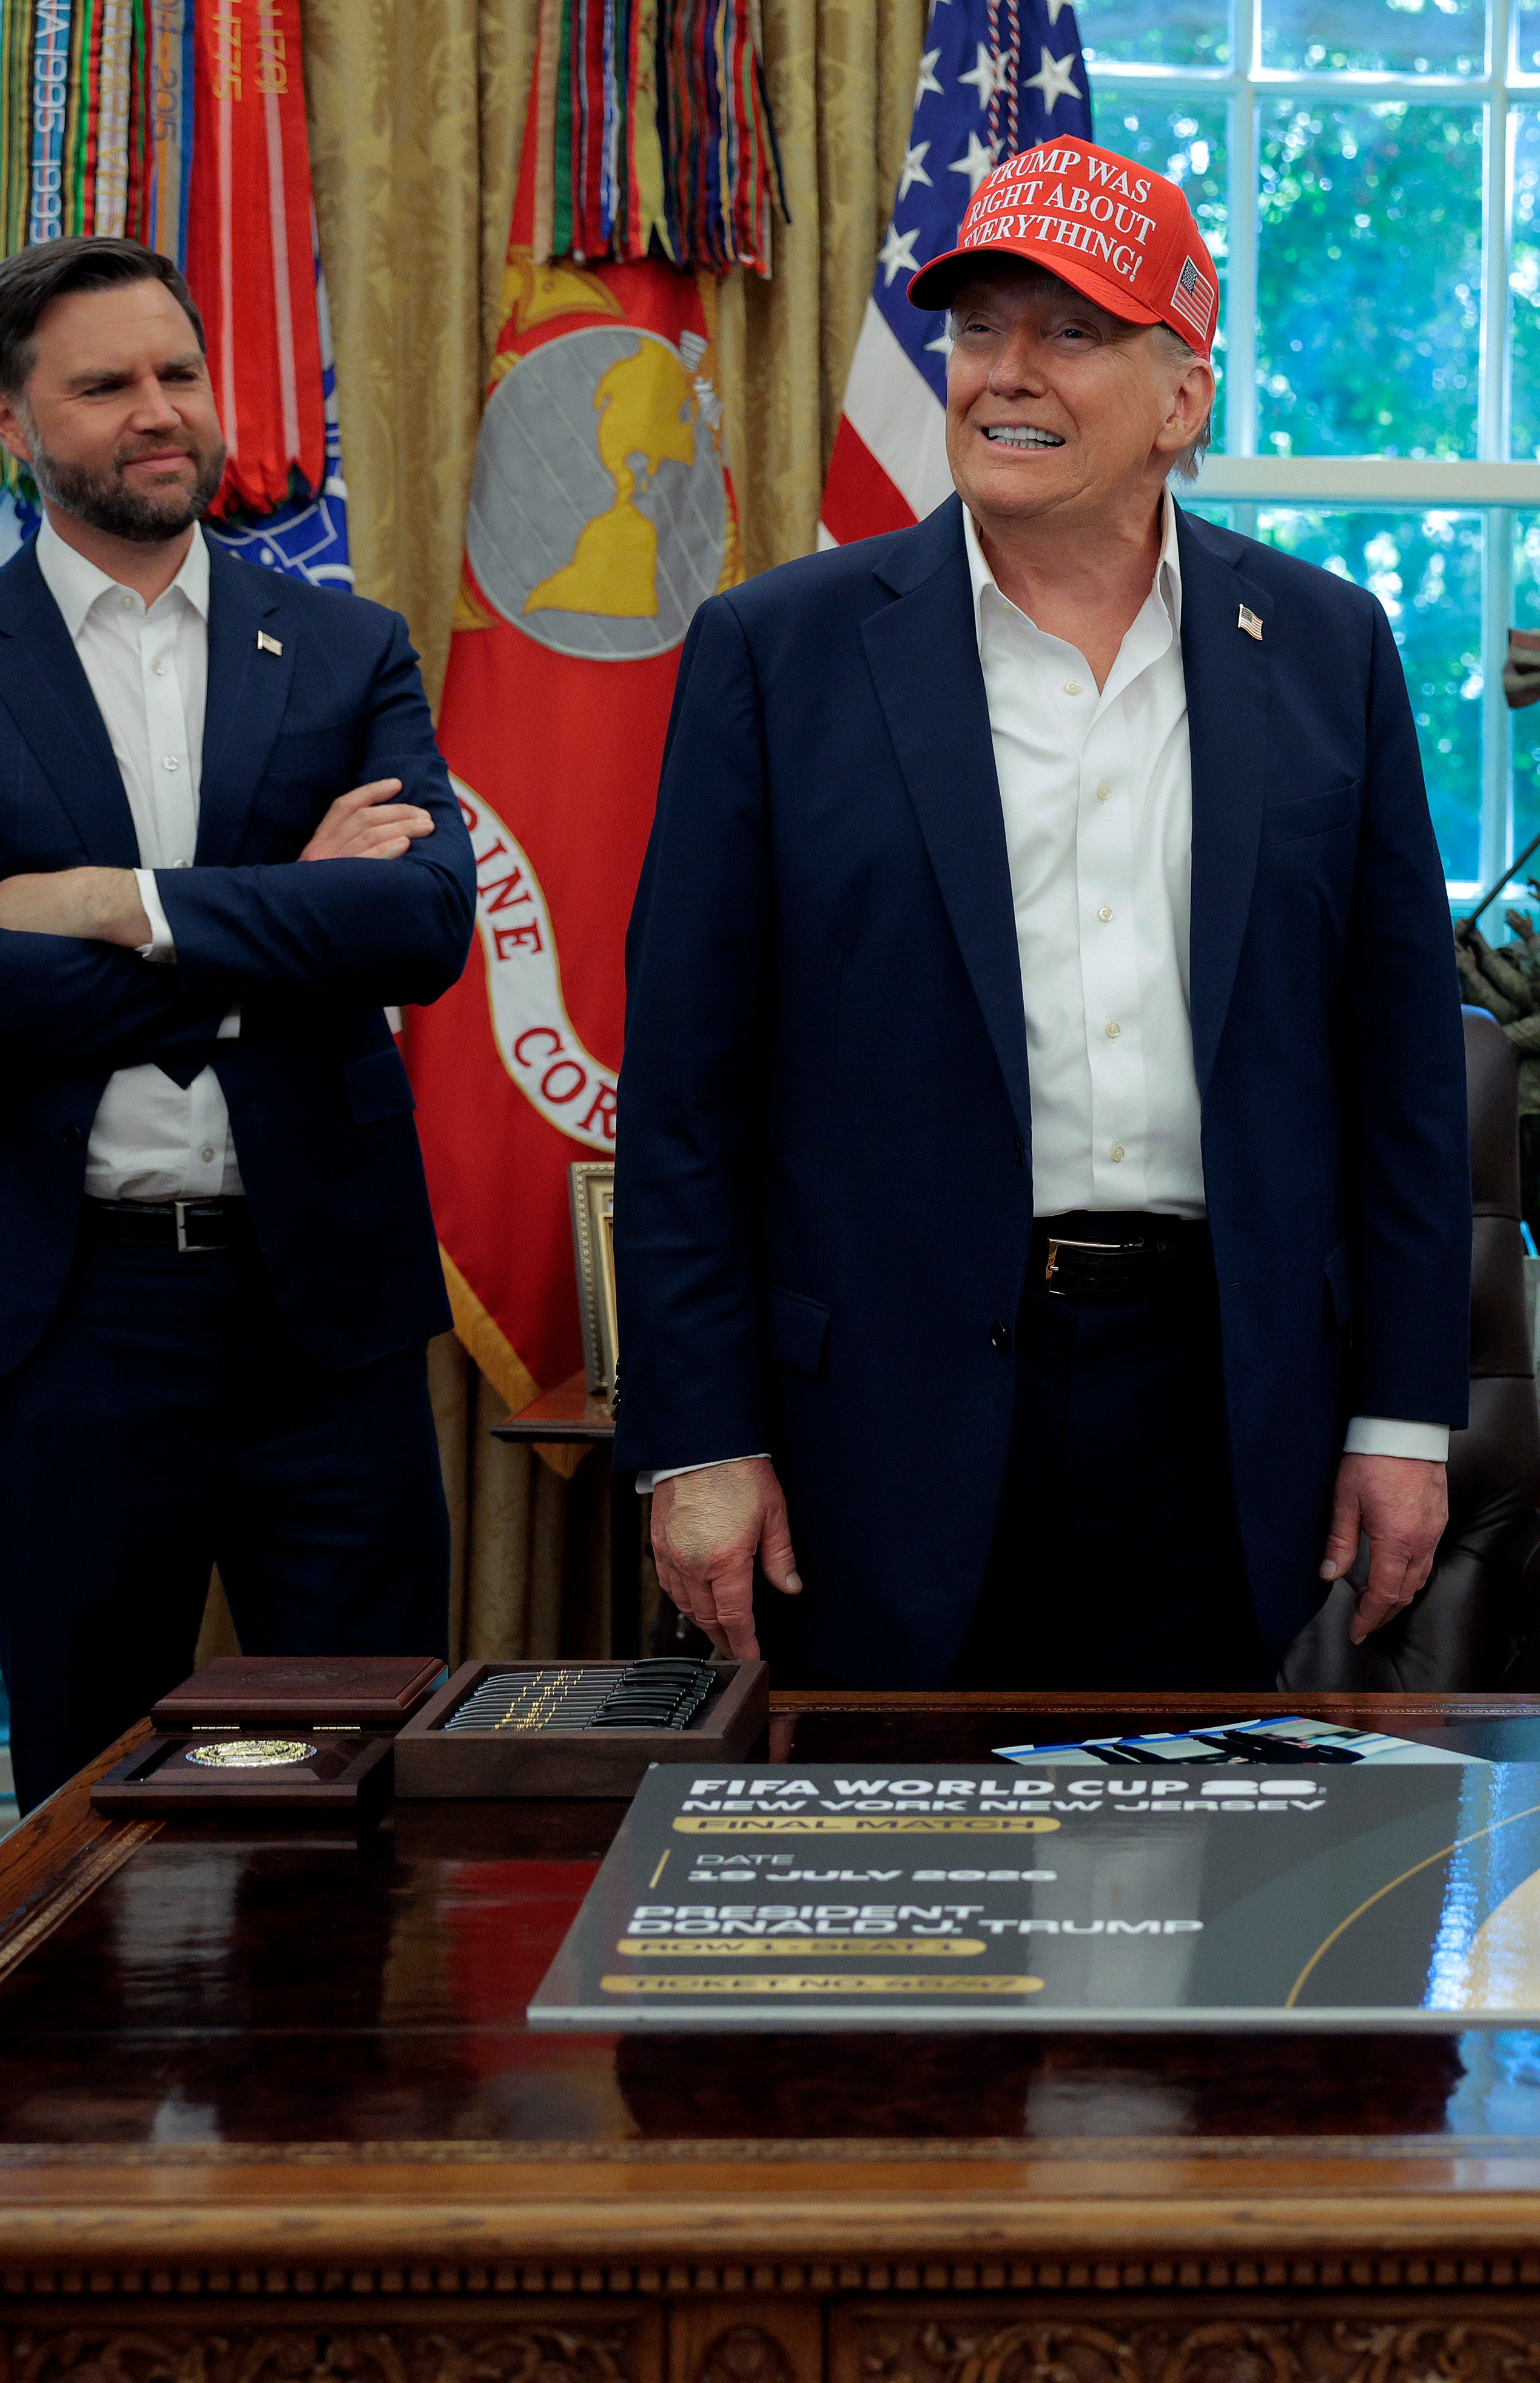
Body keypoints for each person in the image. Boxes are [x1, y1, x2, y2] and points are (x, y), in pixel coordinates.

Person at [618, 140, 1470, 1688]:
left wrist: (1404, 1418)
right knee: (893, 1912)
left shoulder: (1330, 650)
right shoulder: (774, 653)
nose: (1006, 374)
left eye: (1072, 333)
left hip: (1221, 1411)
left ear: (1181, 398)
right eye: (980, 329)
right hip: (875, 1415)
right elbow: (682, 1092)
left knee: (1199, 1897)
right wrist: (700, 1433)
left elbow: (1399, 1077)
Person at [0, 236, 475, 1803]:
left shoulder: (343, 646)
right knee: (95, 1770)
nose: (157, 412)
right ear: (10, 417)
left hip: (320, 1305)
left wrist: (129, 901)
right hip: (64, 1317)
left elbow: (422, 927)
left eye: (177, 373)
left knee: (373, 1754)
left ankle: (351, 2063)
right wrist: (277, 912)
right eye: (103, 386)